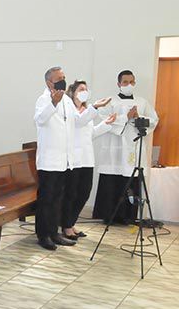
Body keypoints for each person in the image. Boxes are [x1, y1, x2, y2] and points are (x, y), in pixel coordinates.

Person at [34, 67, 109, 250]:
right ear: (49, 82)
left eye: (64, 77)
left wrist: (94, 108)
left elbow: (78, 121)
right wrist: (53, 103)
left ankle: (54, 233)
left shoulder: (67, 100)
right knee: (47, 199)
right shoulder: (43, 99)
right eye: (58, 78)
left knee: (58, 199)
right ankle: (44, 235)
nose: (63, 80)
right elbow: (40, 120)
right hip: (49, 160)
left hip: (65, 161)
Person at [93, 70, 160, 224]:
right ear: (119, 84)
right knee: (111, 181)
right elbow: (104, 120)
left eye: (131, 82)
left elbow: (154, 121)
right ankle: (109, 215)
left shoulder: (142, 102)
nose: (129, 85)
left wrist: (138, 117)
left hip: (133, 147)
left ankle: (127, 216)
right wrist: (125, 117)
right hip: (114, 149)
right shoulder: (110, 102)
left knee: (130, 180)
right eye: (125, 82)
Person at [61, 81, 116, 240]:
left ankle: (70, 222)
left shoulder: (86, 111)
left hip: (87, 158)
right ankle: (66, 225)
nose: (84, 91)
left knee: (84, 192)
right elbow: (78, 122)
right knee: (71, 194)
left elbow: (90, 133)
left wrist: (106, 124)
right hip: (72, 159)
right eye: (81, 89)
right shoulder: (69, 108)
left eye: (86, 89)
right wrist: (95, 107)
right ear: (73, 92)